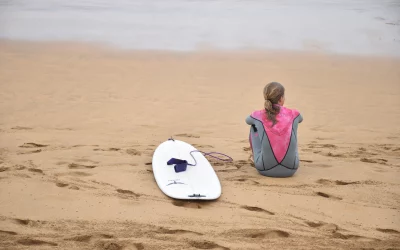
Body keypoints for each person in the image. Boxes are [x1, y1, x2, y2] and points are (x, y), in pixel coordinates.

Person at [245, 82, 303, 177]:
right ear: (281, 99)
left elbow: (247, 120)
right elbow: (301, 119)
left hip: (264, 168)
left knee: (254, 126)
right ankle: (289, 157)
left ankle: (256, 157)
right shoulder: (294, 114)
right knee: (292, 126)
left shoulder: (257, 115)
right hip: (291, 169)